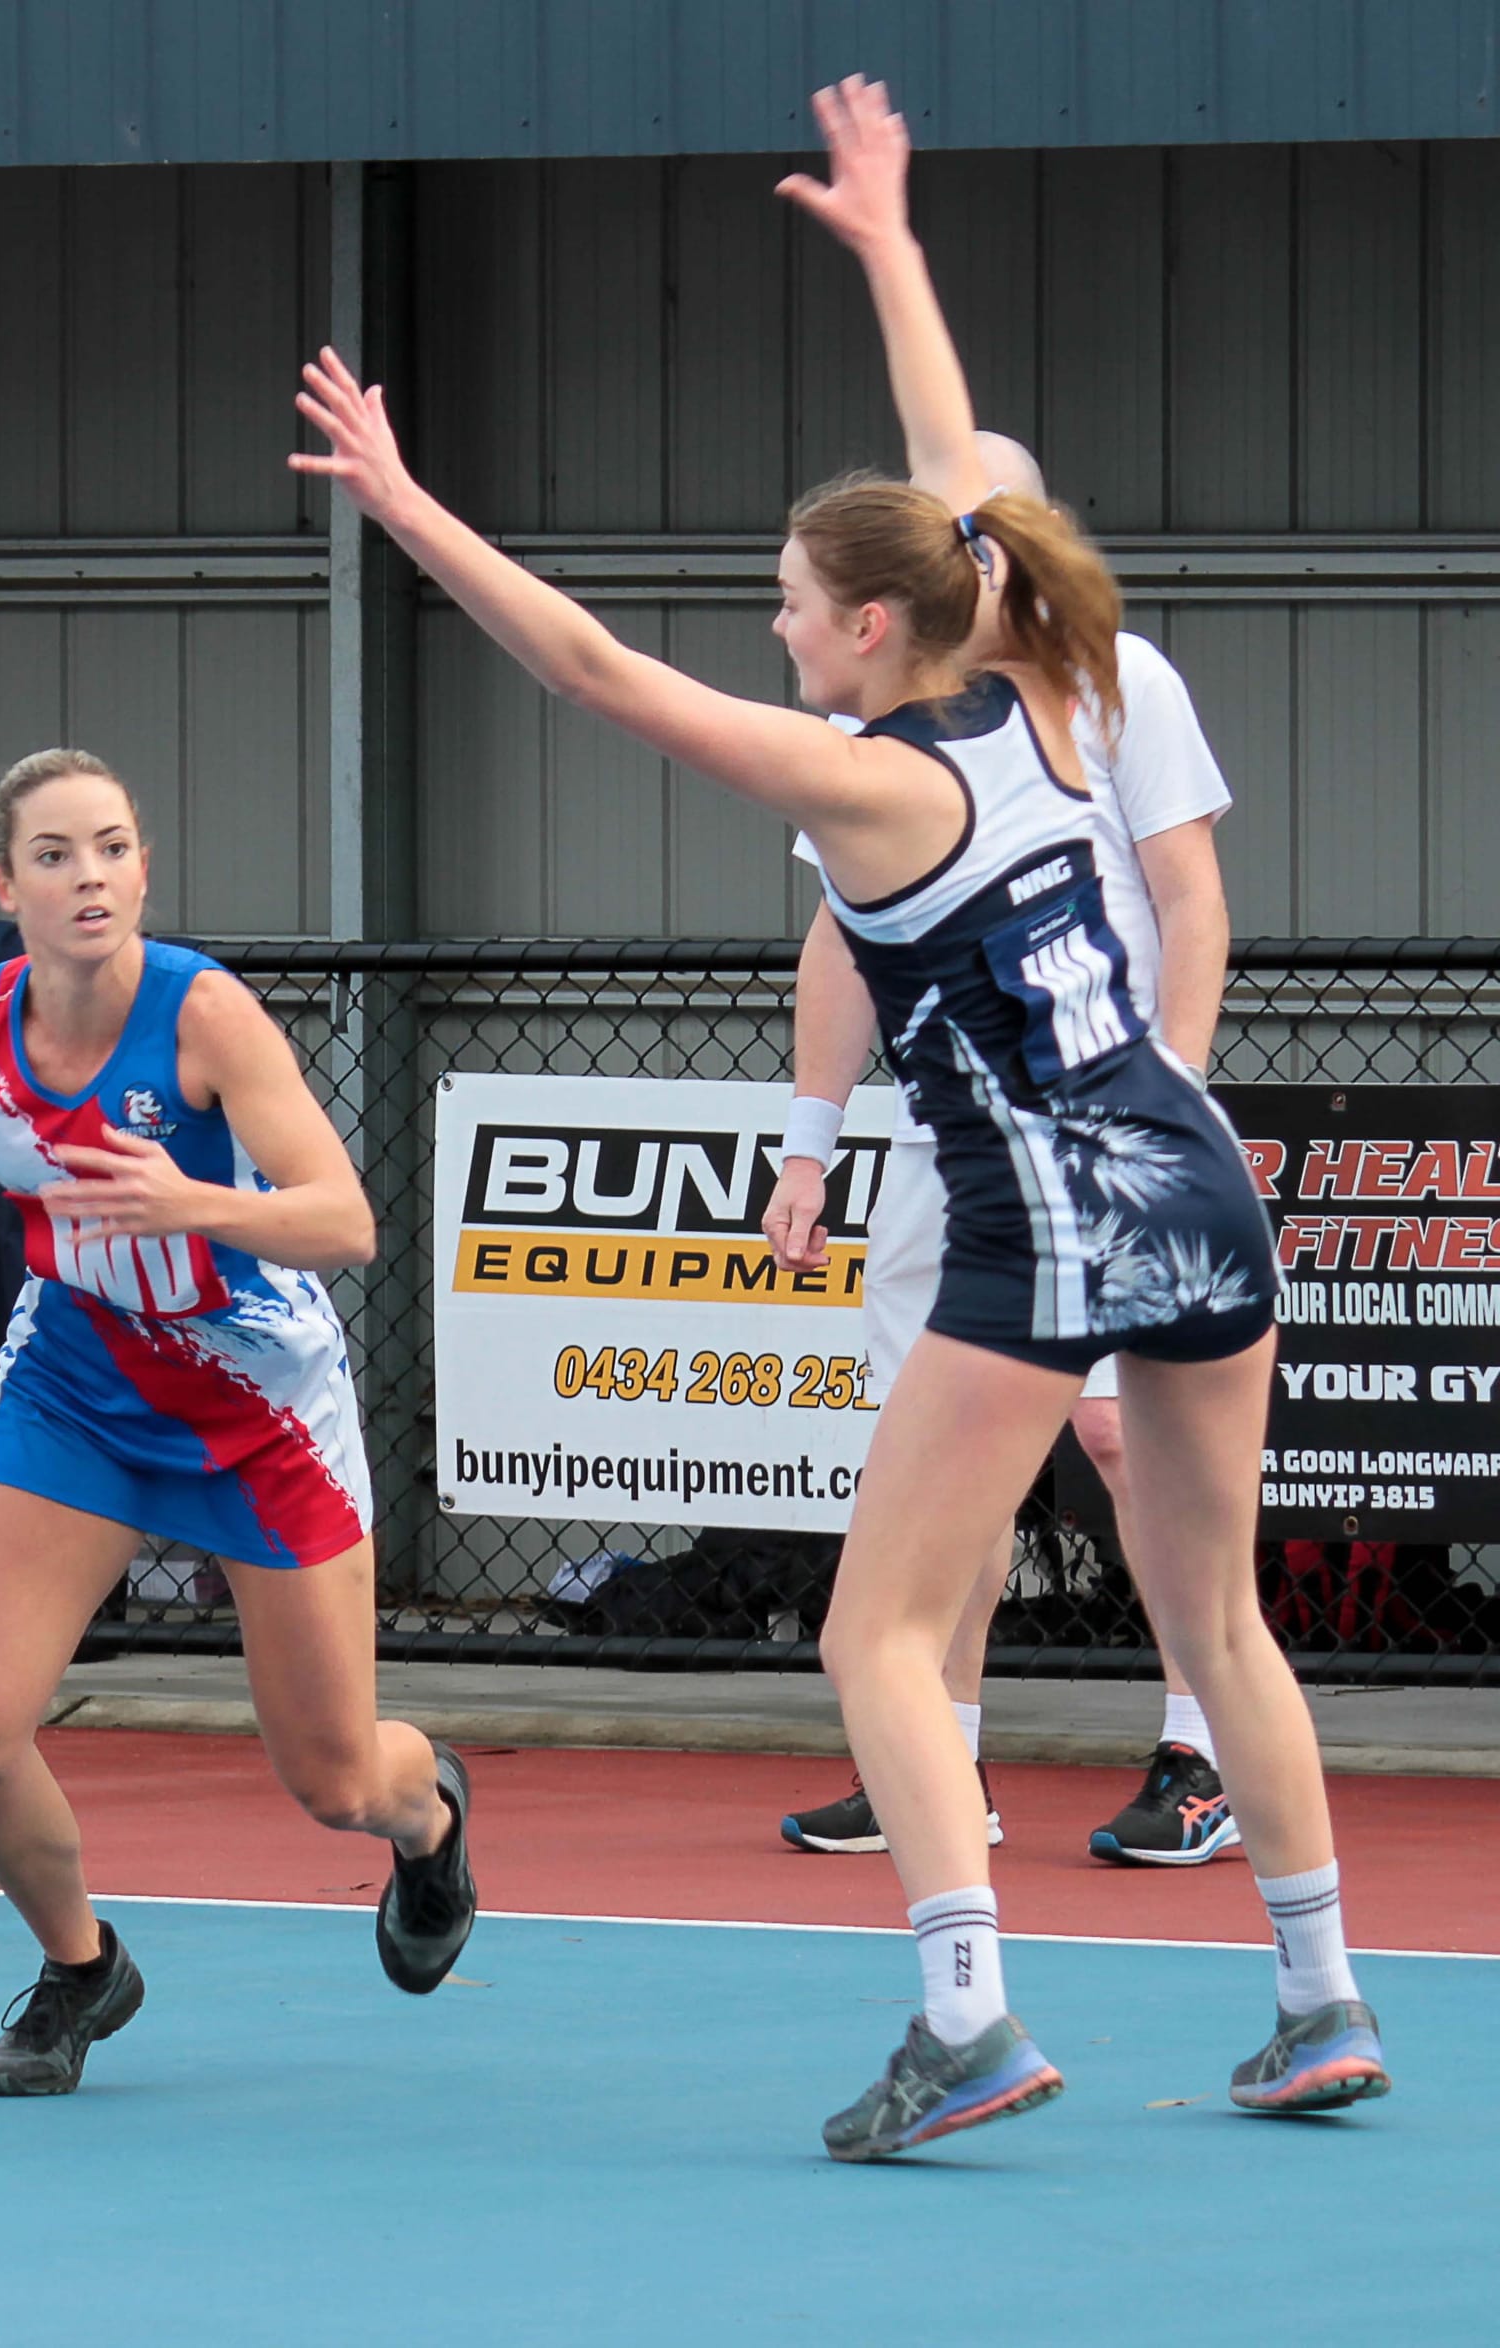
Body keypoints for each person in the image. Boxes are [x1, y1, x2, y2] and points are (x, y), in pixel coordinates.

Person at [292, 76, 1387, 2158]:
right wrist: (889, 239)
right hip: (1190, 1169)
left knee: (874, 1622)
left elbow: (604, 678)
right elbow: (951, 456)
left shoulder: (880, 780)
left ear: (871, 625)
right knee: (1214, 1611)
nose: (778, 627)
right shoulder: (1066, 663)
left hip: (1047, 1205)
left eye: (794, 602)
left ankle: (964, 2015)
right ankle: (1321, 1993)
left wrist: (409, 505)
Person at [0, 747, 477, 2093]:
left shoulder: (206, 1017)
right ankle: (85, 1970)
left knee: (332, 1784)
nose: (93, 878)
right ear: (4, 882)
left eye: (116, 847)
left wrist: (189, 1203)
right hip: (78, 1393)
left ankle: (427, 1818)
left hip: (260, 1412)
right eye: (58, 854)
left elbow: (344, 1221)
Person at [767, 426, 1242, 1869]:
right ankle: (939, 1765)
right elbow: (842, 943)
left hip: (1099, 1137)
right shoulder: (871, 723)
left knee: (1121, 1435)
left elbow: (1191, 901)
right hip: (947, 1145)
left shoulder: (1118, 683)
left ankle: (1198, 1754)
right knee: (928, 1454)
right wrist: (808, 1143)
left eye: (989, 517)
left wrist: (1161, 1100)